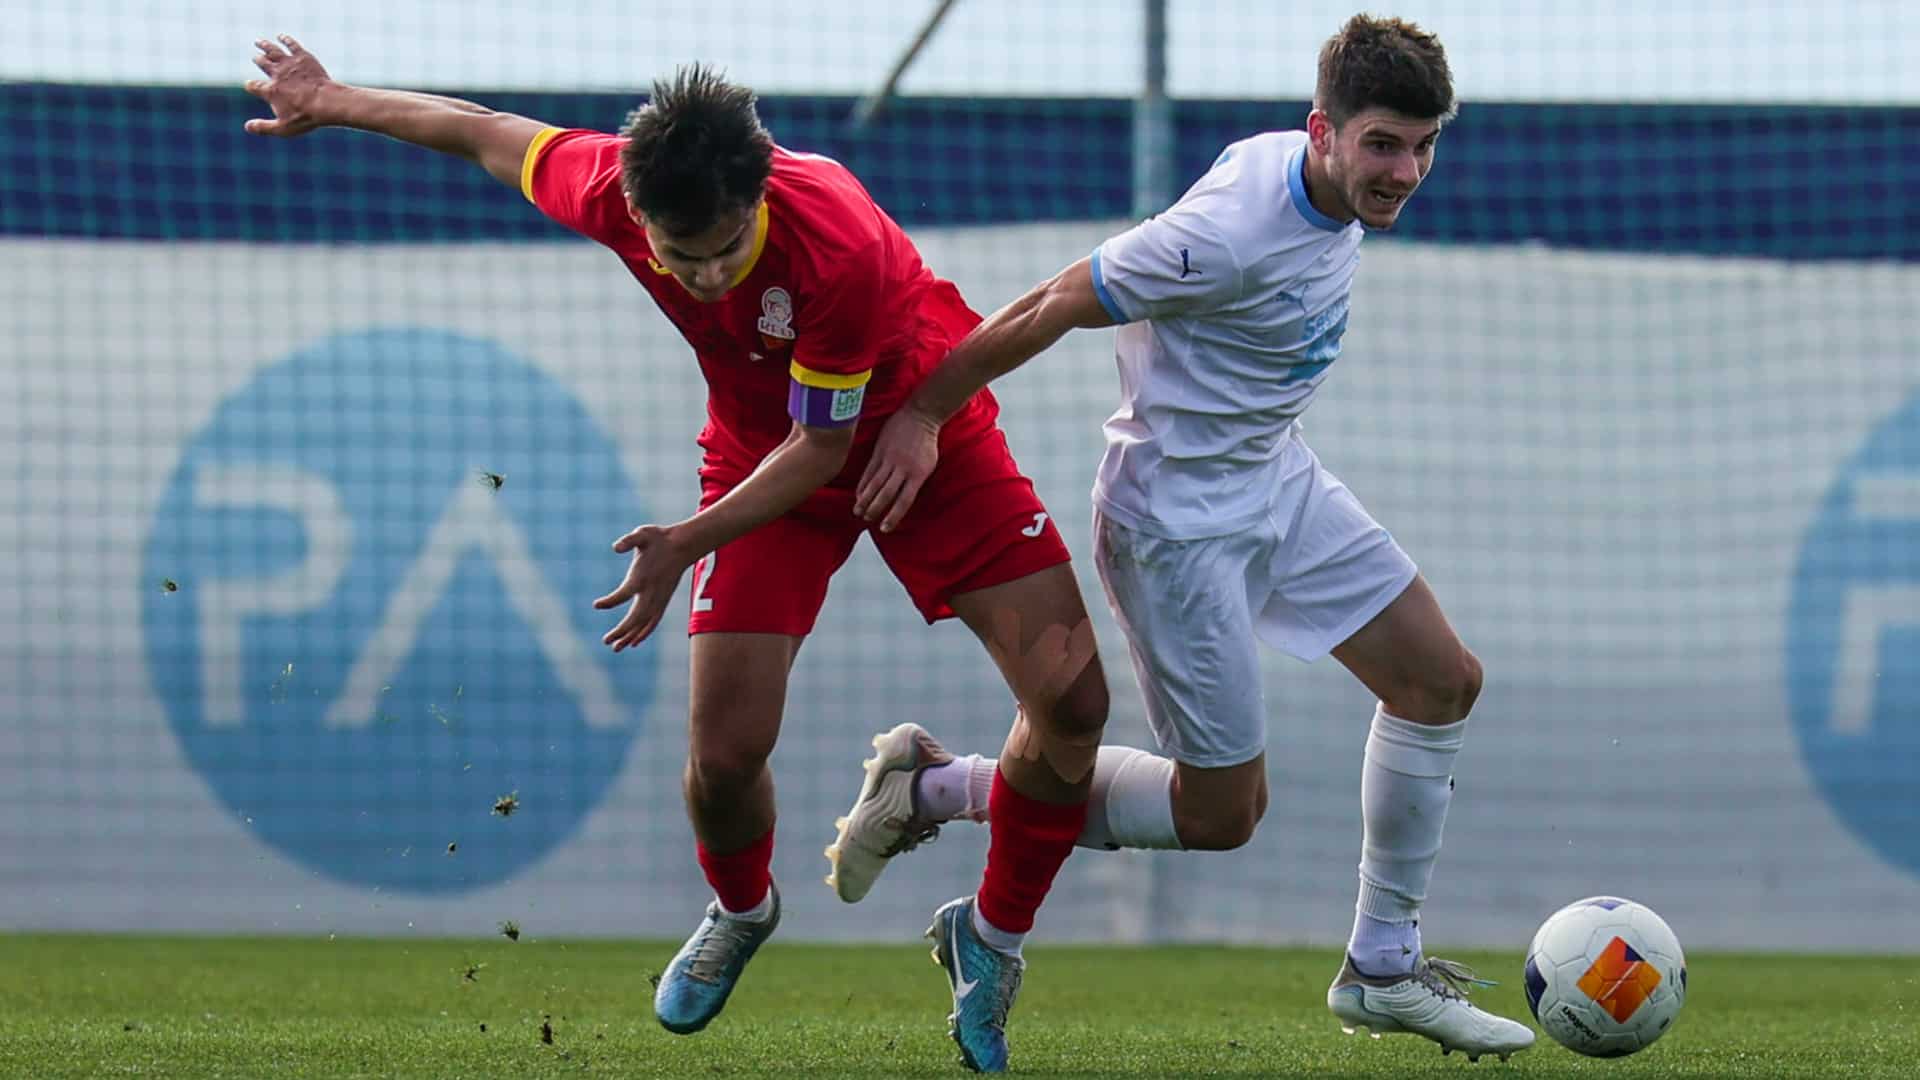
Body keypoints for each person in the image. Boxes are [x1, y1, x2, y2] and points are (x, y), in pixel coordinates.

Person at [244, 36, 1110, 1072]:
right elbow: (481, 132)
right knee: (722, 757)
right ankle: (741, 910)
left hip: (920, 431)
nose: (702, 277)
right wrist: (335, 100)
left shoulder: (834, 246)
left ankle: (991, 936)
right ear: (636, 210)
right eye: (677, 253)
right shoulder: (614, 185)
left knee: (1073, 702)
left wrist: (681, 545)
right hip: (762, 460)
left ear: (758, 196)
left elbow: (825, 446)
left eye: (724, 249)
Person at [834, 14, 1534, 1062]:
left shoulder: (1315, 187)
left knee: (1441, 680)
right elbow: (1058, 300)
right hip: (1177, 527)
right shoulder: (1231, 231)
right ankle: (937, 788)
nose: (1406, 170)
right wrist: (927, 413)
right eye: (1384, 143)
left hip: (1275, 480)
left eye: (1425, 145)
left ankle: (1383, 967)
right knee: (1221, 815)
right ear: (1324, 131)